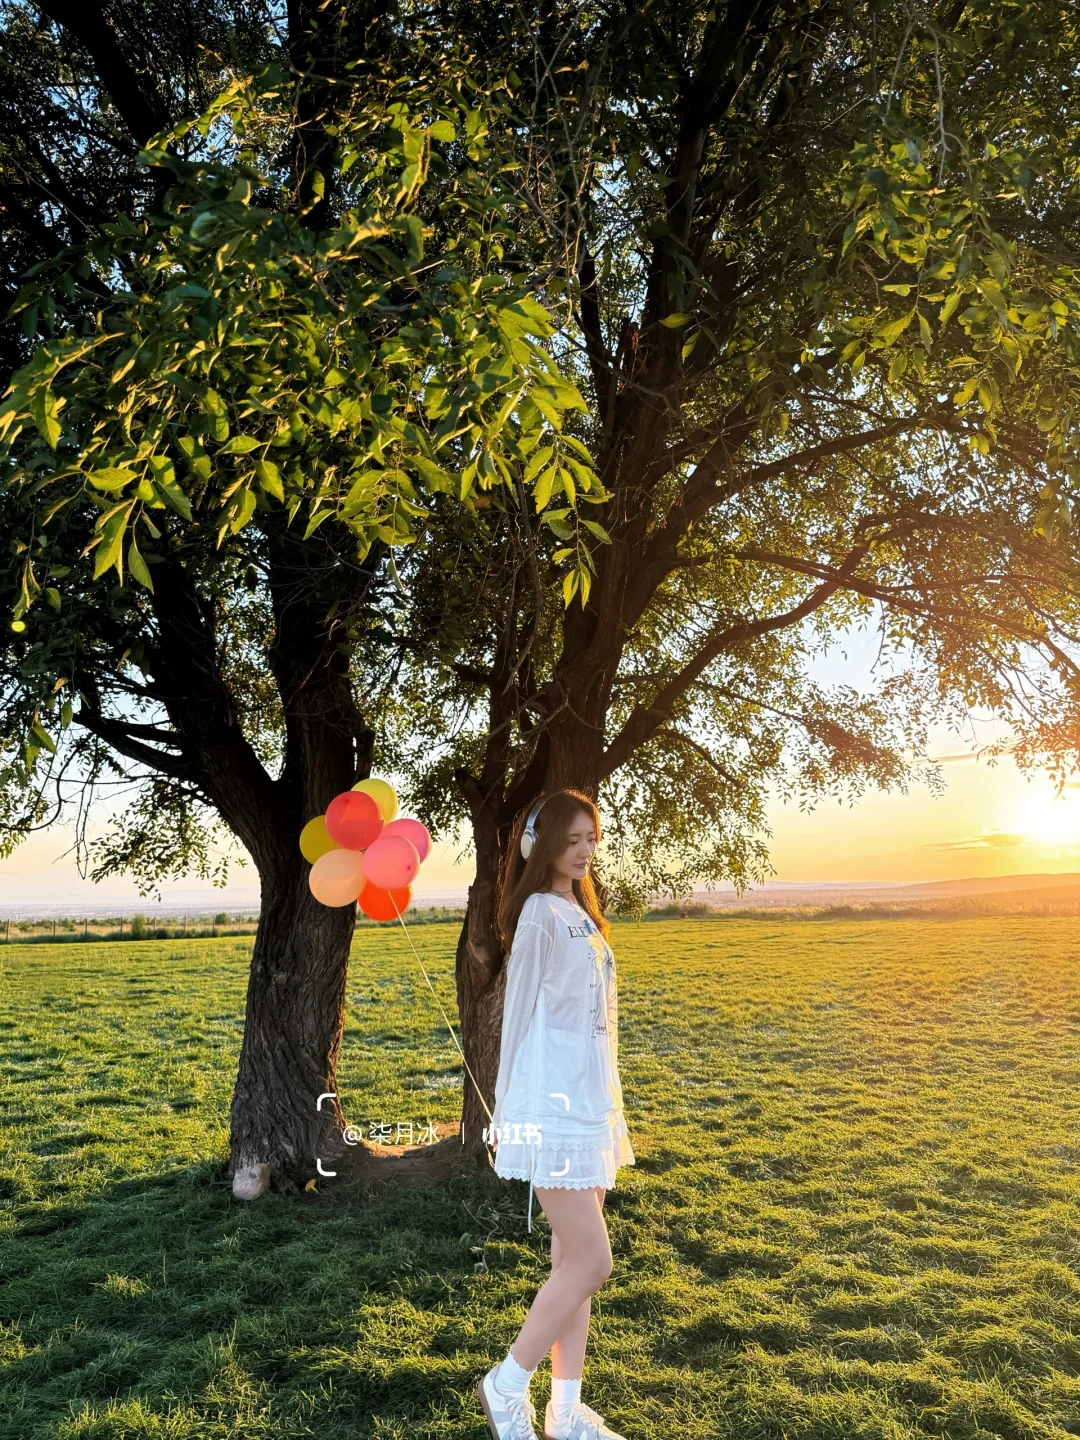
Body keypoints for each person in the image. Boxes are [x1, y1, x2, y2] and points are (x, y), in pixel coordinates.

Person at [476, 788, 635, 1440]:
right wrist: (508, 1109)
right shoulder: (540, 913)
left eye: (591, 840)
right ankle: (505, 1384)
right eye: (571, 841)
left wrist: (612, 1103)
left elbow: (599, 1024)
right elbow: (515, 1021)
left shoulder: (581, 912)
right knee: (592, 1260)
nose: (584, 852)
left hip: (589, 1103)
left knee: (572, 1267)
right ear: (543, 846)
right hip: (549, 1105)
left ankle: (565, 1415)